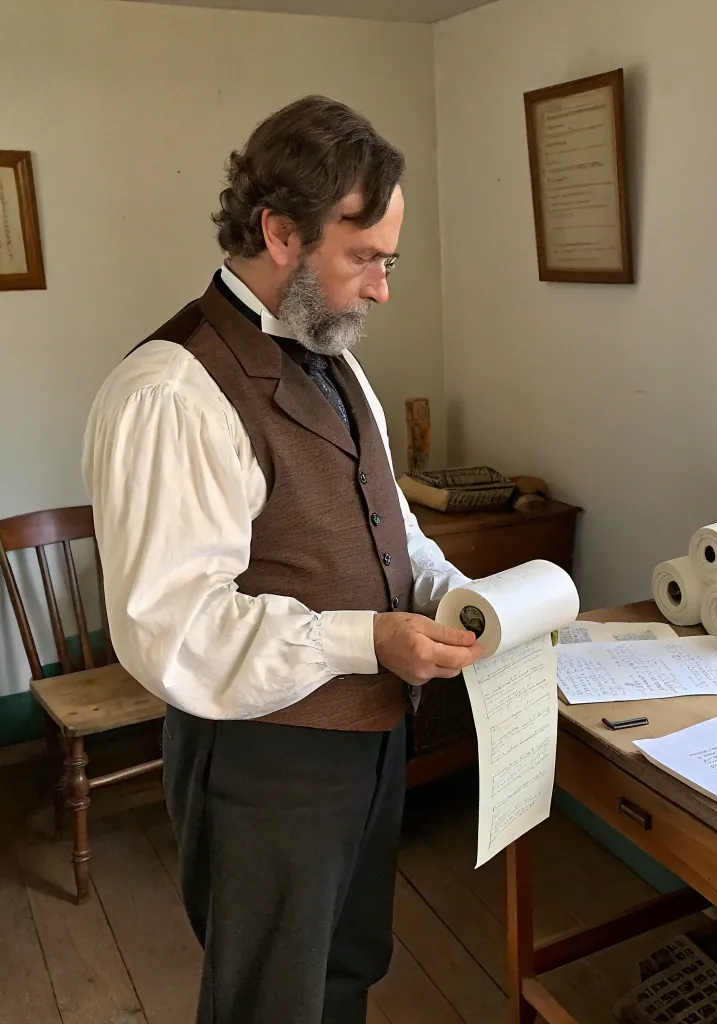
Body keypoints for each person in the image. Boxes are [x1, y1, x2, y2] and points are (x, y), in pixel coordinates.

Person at [82, 95, 484, 1024]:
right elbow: (172, 628)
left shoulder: (336, 360)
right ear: (280, 232)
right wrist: (368, 641)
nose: (384, 287)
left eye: (391, 260)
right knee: (270, 1003)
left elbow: (391, 528)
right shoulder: (171, 393)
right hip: (264, 764)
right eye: (366, 259)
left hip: (367, 745)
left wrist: (450, 591)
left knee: (345, 977)